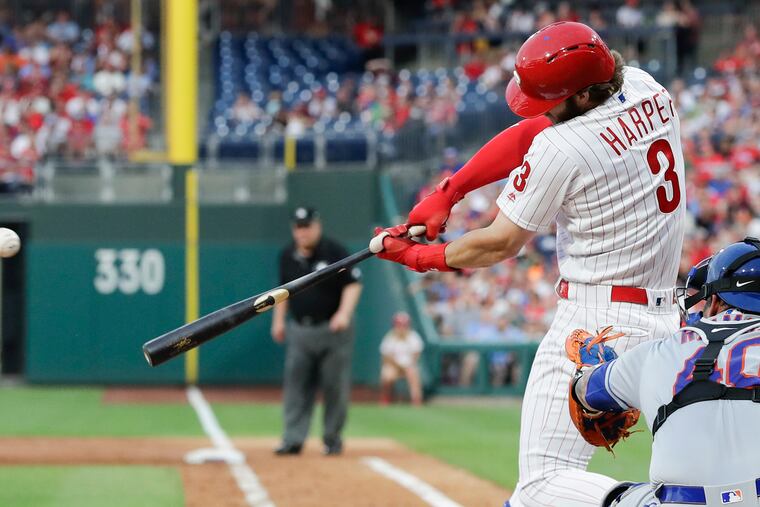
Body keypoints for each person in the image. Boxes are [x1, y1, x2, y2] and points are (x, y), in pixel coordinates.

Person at [372, 21, 686, 506]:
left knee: (541, 485)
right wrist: (451, 190)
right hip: (670, 321)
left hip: (597, 324)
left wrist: (419, 256)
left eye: (550, 99)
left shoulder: (564, 147)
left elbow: (499, 243)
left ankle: (652, 503)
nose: (540, 108)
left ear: (583, 96)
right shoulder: (648, 88)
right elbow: (531, 133)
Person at [570, 238, 760, 506]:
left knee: (622, 497)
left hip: (681, 502)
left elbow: (585, 392)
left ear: (715, 301)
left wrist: (590, 370)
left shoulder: (659, 352)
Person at [271, 206, 362, 456]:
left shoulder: (334, 251)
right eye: (298, 227)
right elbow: (281, 293)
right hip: (300, 329)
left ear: (317, 226)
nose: (303, 232)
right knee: (296, 385)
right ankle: (293, 438)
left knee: (335, 386)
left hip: (332, 329)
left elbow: (353, 283)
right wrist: (278, 321)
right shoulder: (287, 255)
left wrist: (344, 313)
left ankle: (332, 439)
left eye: (307, 226)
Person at [379, 311, 424, 405]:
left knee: (413, 373)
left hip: (408, 366)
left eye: (404, 325)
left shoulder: (413, 337)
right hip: (394, 366)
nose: (401, 328)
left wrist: (407, 366)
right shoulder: (390, 337)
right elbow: (386, 358)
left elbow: (416, 355)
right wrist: (399, 365)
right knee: (387, 375)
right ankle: (386, 398)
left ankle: (416, 400)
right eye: (399, 325)